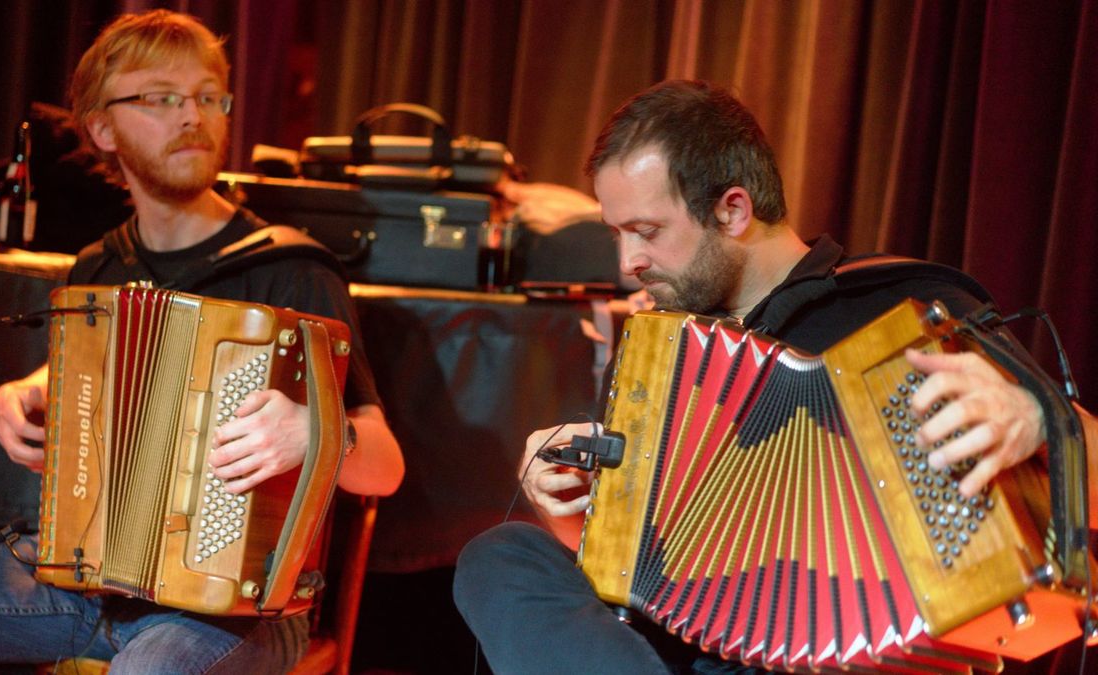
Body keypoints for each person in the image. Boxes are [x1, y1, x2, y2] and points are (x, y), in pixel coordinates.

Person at [453, 79, 1095, 674]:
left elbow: (1077, 474)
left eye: (646, 232)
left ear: (734, 210)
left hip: (847, 654)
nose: (628, 263)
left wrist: (1038, 422)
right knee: (500, 557)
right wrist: (567, 505)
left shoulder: (899, 308)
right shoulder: (658, 355)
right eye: (617, 233)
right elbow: (631, 570)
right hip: (676, 653)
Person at [0, 10, 403, 674]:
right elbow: (79, 375)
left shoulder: (291, 270)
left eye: (206, 96)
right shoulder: (98, 268)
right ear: (102, 129)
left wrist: (316, 430)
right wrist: (20, 392)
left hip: (235, 607)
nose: (192, 115)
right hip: (81, 580)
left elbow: (386, 466)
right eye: (161, 98)